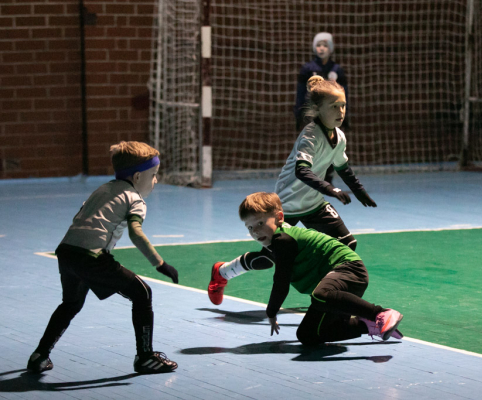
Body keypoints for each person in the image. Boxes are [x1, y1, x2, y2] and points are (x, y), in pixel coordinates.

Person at [208, 75, 377, 306]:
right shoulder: (310, 135)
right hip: (286, 206)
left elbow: (343, 167)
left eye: (343, 105)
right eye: (334, 106)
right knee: (269, 259)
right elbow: (302, 171)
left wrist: (359, 191)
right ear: (318, 109)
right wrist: (331, 189)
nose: (341, 111)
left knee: (346, 244)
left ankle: (324, 292)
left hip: (314, 203)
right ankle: (222, 272)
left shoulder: (339, 136)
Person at [27, 141, 179, 374]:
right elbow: (136, 233)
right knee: (142, 293)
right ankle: (145, 357)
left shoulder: (103, 189)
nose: (156, 180)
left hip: (66, 251)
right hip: (92, 257)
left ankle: (40, 355)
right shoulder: (135, 199)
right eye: (154, 175)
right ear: (138, 177)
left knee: (71, 304)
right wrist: (160, 264)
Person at [241, 192, 403, 344]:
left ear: (280, 217)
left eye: (260, 223)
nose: (255, 231)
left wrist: (271, 312)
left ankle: (380, 313)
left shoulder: (282, 240)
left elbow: (281, 281)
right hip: (336, 285)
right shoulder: (276, 242)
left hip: (349, 269)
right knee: (307, 335)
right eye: (250, 227)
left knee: (321, 295)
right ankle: (369, 326)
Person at [294, 32, 349, 184]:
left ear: (330, 48)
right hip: (313, 115)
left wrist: (346, 114)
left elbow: (344, 93)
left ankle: (328, 178)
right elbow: (300, 93)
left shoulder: (336, 70)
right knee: (312, 147)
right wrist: (298, 112)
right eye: (318, 45)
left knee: (331, 146)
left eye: (325, 45)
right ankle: (311, 178)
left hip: (330, 115)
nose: (321, 48)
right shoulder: (307, 69)